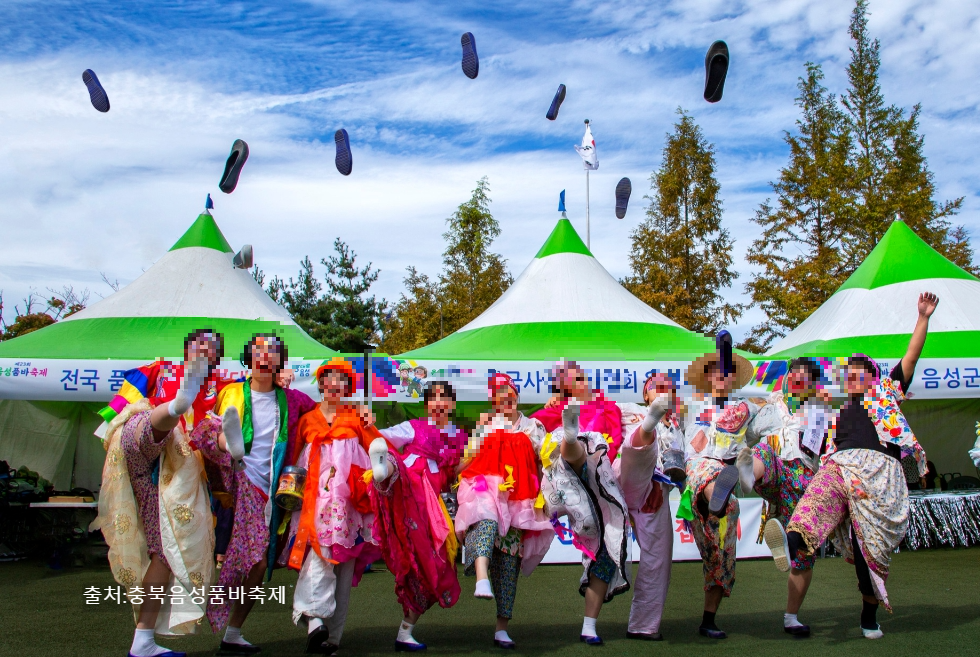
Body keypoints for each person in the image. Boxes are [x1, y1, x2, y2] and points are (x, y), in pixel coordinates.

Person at [775, 292, 938, 640]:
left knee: (870, 553)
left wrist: (923, 317)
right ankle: (791, 544)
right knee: (807, 514)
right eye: (849, 374)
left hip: (878, 473)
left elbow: (912, 356)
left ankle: (869, 615)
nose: (853, 377)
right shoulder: (835, 414)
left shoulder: (887, 393)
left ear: (873, 376)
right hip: (841, 465)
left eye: (860, 372)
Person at [95, 329, 225, 657]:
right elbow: (115, 411)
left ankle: (144, 639)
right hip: (148, 445)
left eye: (211, 351)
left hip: (180, 468)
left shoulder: (220, 385)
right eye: (199, 347)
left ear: (216, 359)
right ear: (186, 350)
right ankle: (173, 408)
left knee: (165, 552)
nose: (204, 353)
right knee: (147, 426)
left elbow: (222, 421)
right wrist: (111, 437)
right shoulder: (158, 369)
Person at [189, 334, 317, 655]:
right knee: (253, 561)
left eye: (272, 352)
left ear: (279, 361)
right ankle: (229, 443)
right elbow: (201, 423)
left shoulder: (292, 400)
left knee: (258, 567)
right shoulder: (230, 392)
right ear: (250, 357)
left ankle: (232, 630)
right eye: (259, 350)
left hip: (273, 492)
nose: (265, 356)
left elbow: (320, 415)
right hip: (238, 481)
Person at [286, 358, 383, 654]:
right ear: (320, 384)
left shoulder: (358, 418)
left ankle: (332, 637)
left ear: (348, 387)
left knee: (344, 570)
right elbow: (292, 460)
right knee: (318, 558)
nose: (333, 386)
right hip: (314, 506)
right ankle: (315, 621)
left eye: (341, 381)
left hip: (351, 508)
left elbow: (379, 451)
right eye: (328, 380)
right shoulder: (306, 420)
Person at [531, 362, 630, 646]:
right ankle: (572, 436)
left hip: (599, 482)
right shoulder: (554, 409)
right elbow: (531, 427)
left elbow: (617, 439)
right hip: (566, 483)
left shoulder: (606, 406)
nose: (575, 384)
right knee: (568, 442)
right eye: (566, 381)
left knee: (609, 550)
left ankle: (589, 626)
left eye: (577, 378)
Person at [733, 357, 831, 637]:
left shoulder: (820, 411)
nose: (797, 379)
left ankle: (791, 617)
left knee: (804, 555)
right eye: (794, 374)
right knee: (762, 451)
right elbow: (744, 433)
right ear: (787, 378)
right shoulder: (768, 404)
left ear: (812, 383)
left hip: (803, 482)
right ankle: (749, 477)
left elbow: (827, 449)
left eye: (805, 377)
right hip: (772, 470)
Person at [454, 373, 553, 649]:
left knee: (510, 561)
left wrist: (546, 494)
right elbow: (467, 457)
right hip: (485, 488)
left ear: (516, 397)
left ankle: (501, 627)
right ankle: (482, 579)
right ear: (493, 401)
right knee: (484, 522)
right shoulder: (486, 425)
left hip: (518, 499)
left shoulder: (532, 426)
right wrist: (450, 470)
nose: (505, 400)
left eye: (509, 394)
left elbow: (548, 458)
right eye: (499, 396)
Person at [367, 381, 467, 651]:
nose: (439, 404)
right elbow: (379, 436)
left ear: (452, 404)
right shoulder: (414, 427)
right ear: (427, 405)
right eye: (434, 399)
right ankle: (383, 470)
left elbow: (461, 468)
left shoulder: (458, 437)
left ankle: (405, 631)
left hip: (432, 510)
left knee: (434, 568)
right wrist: (366, 425)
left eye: (444, 399)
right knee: (393, 462)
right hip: (408, 493)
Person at [679, 345, 759, 639]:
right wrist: (723, 346)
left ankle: (708, 620)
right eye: (717, 373)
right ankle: (717, 493)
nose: (722, 378)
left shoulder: (743, 410)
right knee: (713, 478)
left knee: (718, 553)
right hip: (698, 471)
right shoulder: (692, 405)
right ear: (708, 377)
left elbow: (767, 426)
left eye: (727, 374)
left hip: (724, 485)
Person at [614, 373, 682, 641]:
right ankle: (646, 430)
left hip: (655, 496)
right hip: (625, 480)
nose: (665, 390)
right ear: (645, 395)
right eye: (658, 387)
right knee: (637, 447)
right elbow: (590, 406)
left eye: (670, 388)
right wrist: (554, 402)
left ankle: (643, 625)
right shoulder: (627, 410)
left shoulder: (678, 428)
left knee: (659, 556)